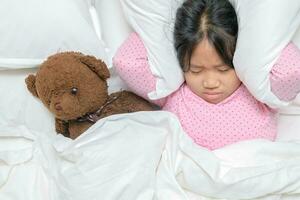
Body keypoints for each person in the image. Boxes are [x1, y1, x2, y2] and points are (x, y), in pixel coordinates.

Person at [113, 0, 300, 150]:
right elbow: (126, 62)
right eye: (195, 70)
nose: (210, 82)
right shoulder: (172, 93)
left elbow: (292, 71)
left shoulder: (260, 93)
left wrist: (253, 40)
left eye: (223, 69)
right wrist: (167, 38)